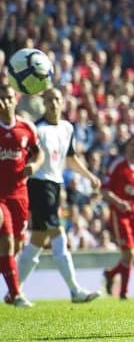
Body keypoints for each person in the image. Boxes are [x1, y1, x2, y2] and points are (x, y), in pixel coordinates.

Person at [17, 88, 102, 303]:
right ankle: (74, 290)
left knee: (38, 239)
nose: (53, 103)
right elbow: (27, 159)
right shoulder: (38, 129)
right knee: (58, 234)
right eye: (48, 99)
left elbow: (70, 159)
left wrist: (89, 175)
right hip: (39, 184)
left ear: (62, 102)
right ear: (43, 103)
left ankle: (13, 290)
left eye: (56, 99)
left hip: (55, 185)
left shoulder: (67, 128)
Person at [0, 83, 44, 307]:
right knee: (6, 240)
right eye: (2, 98)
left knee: (15, 246)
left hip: (19, 194)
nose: (5, 102)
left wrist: (35, 166)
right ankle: (17, 295)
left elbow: (39, 153)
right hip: (0, 197)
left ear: (15, 99)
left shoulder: (26, 127)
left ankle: (11, 293)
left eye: (9, 98)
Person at [102, 135, 134, 300]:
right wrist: (118, 203)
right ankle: (124, 293)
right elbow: (104, 190)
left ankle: (111, 274)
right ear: (127, 148)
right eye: (131, 145)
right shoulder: (117, 166)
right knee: (130, 254)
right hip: (120, 216)